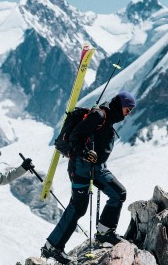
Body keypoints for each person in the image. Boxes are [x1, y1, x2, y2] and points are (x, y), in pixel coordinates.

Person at [41, 91, 136, 263]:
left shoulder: (109, 117)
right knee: (78, 207)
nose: (128, 114)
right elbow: (74, 137)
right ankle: (52, 247)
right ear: (120, 105)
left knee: (119, 193)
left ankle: (104, 232)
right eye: (127, 110)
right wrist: (84, 153)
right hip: (80, 168)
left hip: (97, 168)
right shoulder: (99, 116)